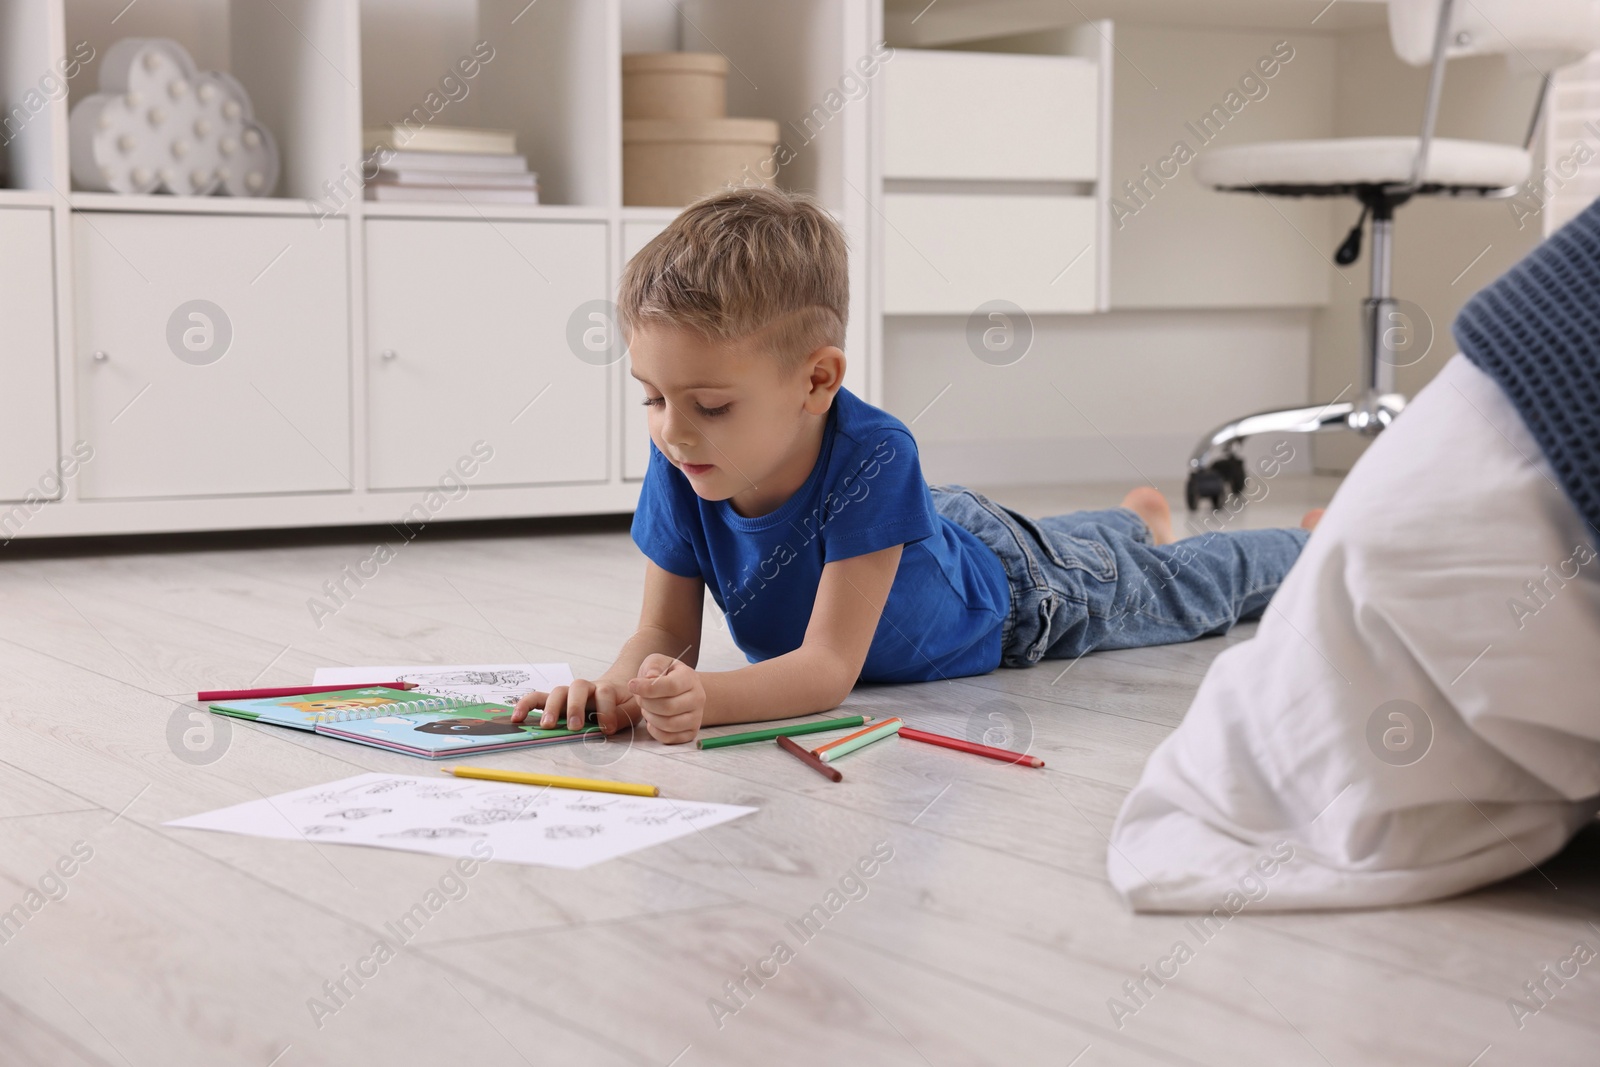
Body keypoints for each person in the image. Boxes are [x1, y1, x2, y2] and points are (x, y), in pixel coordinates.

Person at [512, 186, 1319, 744]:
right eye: (652, 398)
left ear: (818, 381)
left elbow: (828, 669)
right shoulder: (686, 461)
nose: (673, 431)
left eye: (709, 405)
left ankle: (1315, 544)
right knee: (1082, 545)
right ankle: (1131, 522)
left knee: (1178, 588)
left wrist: (707, 701)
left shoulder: (877, 452)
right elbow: (664, 632)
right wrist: (616, 689)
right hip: (927, 537)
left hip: (1013, 597)